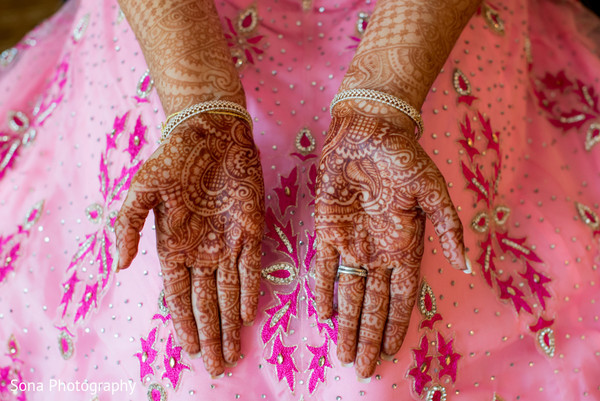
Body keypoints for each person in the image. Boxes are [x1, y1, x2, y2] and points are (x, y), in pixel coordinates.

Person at [0, 0, 598, 400]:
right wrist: (200, 106)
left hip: (420, 18)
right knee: (185, 360)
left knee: (377, 364)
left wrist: (383, 103)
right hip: (179, 24)